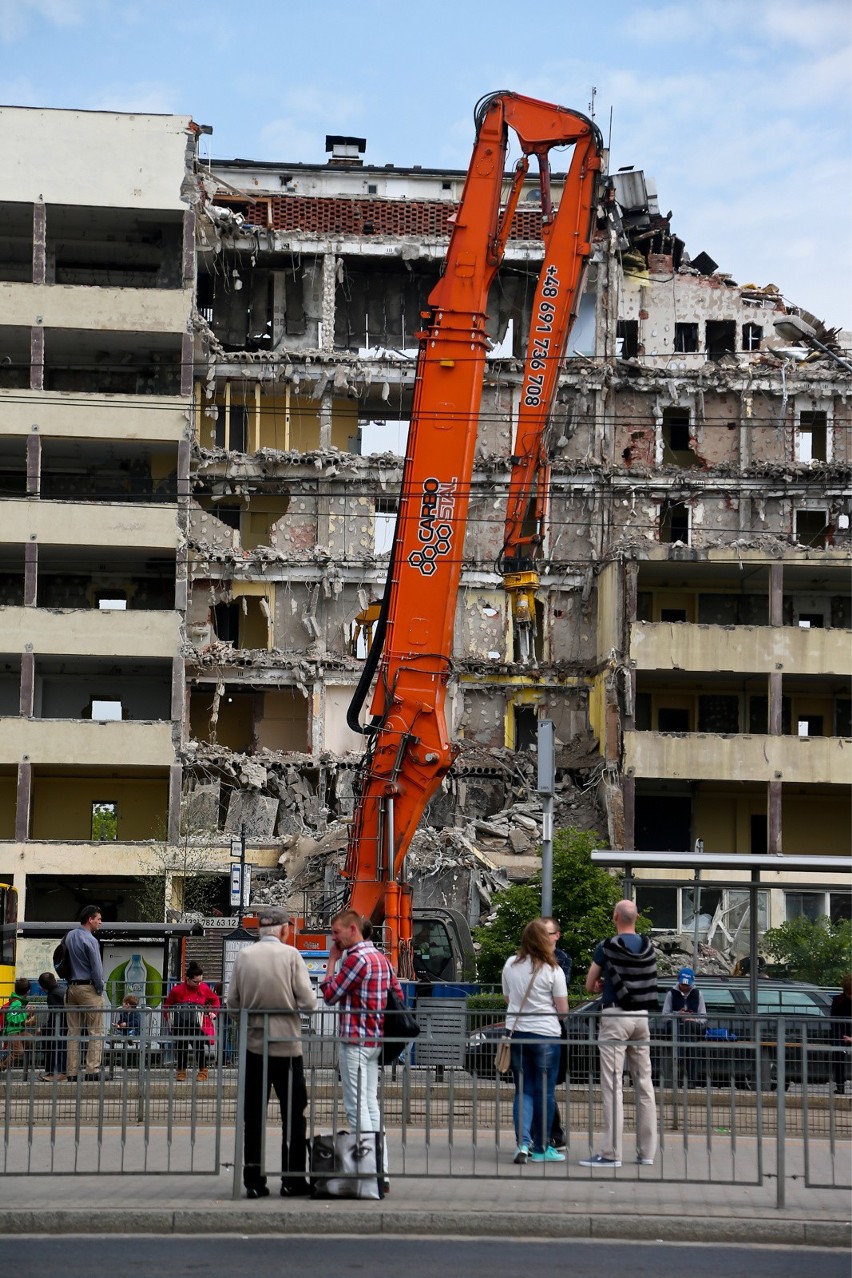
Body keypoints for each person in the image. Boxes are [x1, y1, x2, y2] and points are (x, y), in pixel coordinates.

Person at [227, 906, 317, 1199]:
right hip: (287, 1048)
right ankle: (292, 1179)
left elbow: (233, 1003)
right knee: (293, 1115)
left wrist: (251, 1021)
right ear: (284, 929)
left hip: (254, 1047)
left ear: (259, 930)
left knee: (253, 1116)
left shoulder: (244, 956)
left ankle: (253, 1181)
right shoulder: (291, 956)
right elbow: (308, 1003)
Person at [320, 910, 404, 1185]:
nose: (333, 939)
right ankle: (383, 1170)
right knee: (371, 1105)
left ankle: (368, 1174)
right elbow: (398, 995)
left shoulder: (356, 959)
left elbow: (330, 995)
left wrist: (331, 962)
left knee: (356, 1109)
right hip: (375, 1040)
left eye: (336, 933)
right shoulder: (380, 958)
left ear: (352, 929)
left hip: (355, 1041)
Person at [580, 899, 658, 1169]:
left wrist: (603, 983)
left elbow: (590, 984)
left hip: (615, 1017)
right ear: (636, 916)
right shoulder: (649, 947)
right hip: (642, 1018)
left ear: (615, 917)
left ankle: (612, 1153)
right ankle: (647, 1152)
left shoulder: (607, 946)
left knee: (614, 1085)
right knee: (645, 1085)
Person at [502, 918, 568, 1165]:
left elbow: (508, 999)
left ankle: (523, 1144)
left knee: (523, 1091)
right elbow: (562, 1011)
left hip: (517, 1034)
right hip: (546, 1036)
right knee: (545, 1093)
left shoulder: (510, 964)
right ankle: (542, 1147)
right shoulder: (553, 970)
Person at [63, 904, 106, 1080]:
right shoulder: (91, 940)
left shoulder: (69, 936)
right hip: (88, 988)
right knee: (95, 1031)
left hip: (71, 988)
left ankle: (72, 1072)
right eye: (99, 919)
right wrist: (99, 987)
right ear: (90, 919)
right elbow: (96, 968)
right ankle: (92, 1071)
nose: (100, 922)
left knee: (73, 1032)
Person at [542, 917, 572, 1151]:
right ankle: (549, 1133)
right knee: (537, 1086)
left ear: (557, 935)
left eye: (549, 933)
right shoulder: (523, 960)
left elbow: (560, 1001)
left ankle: (552, 1133)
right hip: (540, 1026)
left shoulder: (561, 961)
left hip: (553, 1028)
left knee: (546, 1085)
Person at [164, 961, 220, 1082]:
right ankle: (181, 1071)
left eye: (200, 981)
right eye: (196, 982)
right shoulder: (177, 990)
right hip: (180, 1025)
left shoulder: (204, 988)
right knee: (181, 1047)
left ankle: (203, 1070)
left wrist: (213, 1013)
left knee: (199, 1047)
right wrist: (170, 1021)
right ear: (187, 979)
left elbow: (215, 1000)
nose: (199, 984)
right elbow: (167, 1006)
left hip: (197, 1024)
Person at [662, 966, 707, 1086]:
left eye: (688, 985)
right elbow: (665, 1016)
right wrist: (677, 1014)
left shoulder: (698, 994)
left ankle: (680, 1058)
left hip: (692, 1028)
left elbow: (703, 1017)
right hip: (676, 1027)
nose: (685, 987)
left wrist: (693, 1019)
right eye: (683, 984)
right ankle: (689, 1077)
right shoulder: (671, 994)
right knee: (689, 1042)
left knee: (688, 1027)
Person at [0, 977, 36, 1071]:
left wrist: (27, 1013)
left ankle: (13, 1055)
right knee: (18, 1052)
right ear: (28, 991)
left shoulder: (19, 1002)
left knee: (30, 1039)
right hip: (13, 1031)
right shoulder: (16, 1003)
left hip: (19, 1031)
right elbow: (11, 1017)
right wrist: (26, 1013)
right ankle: (1, 1066)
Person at [37, 970, 66, 1081]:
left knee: (49, 1038)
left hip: (60, 1027)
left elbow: (55, 1016)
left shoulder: (52, 995)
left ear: (42, 986)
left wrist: (45, 1028)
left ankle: (54, 1071)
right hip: (67, 1026)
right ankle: (53, 1071)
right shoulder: (62, 990)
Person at [830, 973, 851, 1096]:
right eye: (849, 993)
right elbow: (834, 1021)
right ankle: (840, 1086)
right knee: (838, 1056)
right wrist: (841, 1037)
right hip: (841, 1034)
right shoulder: (838, 1000)